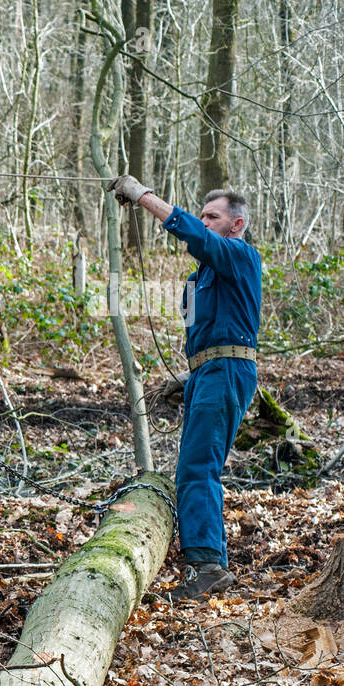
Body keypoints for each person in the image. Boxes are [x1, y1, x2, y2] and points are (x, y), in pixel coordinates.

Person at [109, 175, 261, 600]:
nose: (204, 221)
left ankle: (208, 566)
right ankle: (203, 558)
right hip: (206, 375)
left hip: (227, 372)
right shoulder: (200, 279)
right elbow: (199, 332)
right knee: (190, 468)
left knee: (198, 468)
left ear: (237, 224)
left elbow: (194, 235)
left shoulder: (240, 256)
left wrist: (143, 198)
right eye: (203, 215)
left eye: (213, 216)